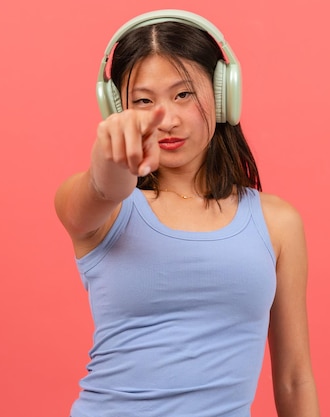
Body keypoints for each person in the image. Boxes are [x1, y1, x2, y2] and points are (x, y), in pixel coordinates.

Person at [54, 9, 320, 417]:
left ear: (223, 95)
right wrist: (112, 158)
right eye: (144, 101)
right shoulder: (106, 212)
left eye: (184, 94)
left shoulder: (277, 223)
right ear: (117, 111)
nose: (168, 120)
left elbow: (294, 378)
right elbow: (101, 187)